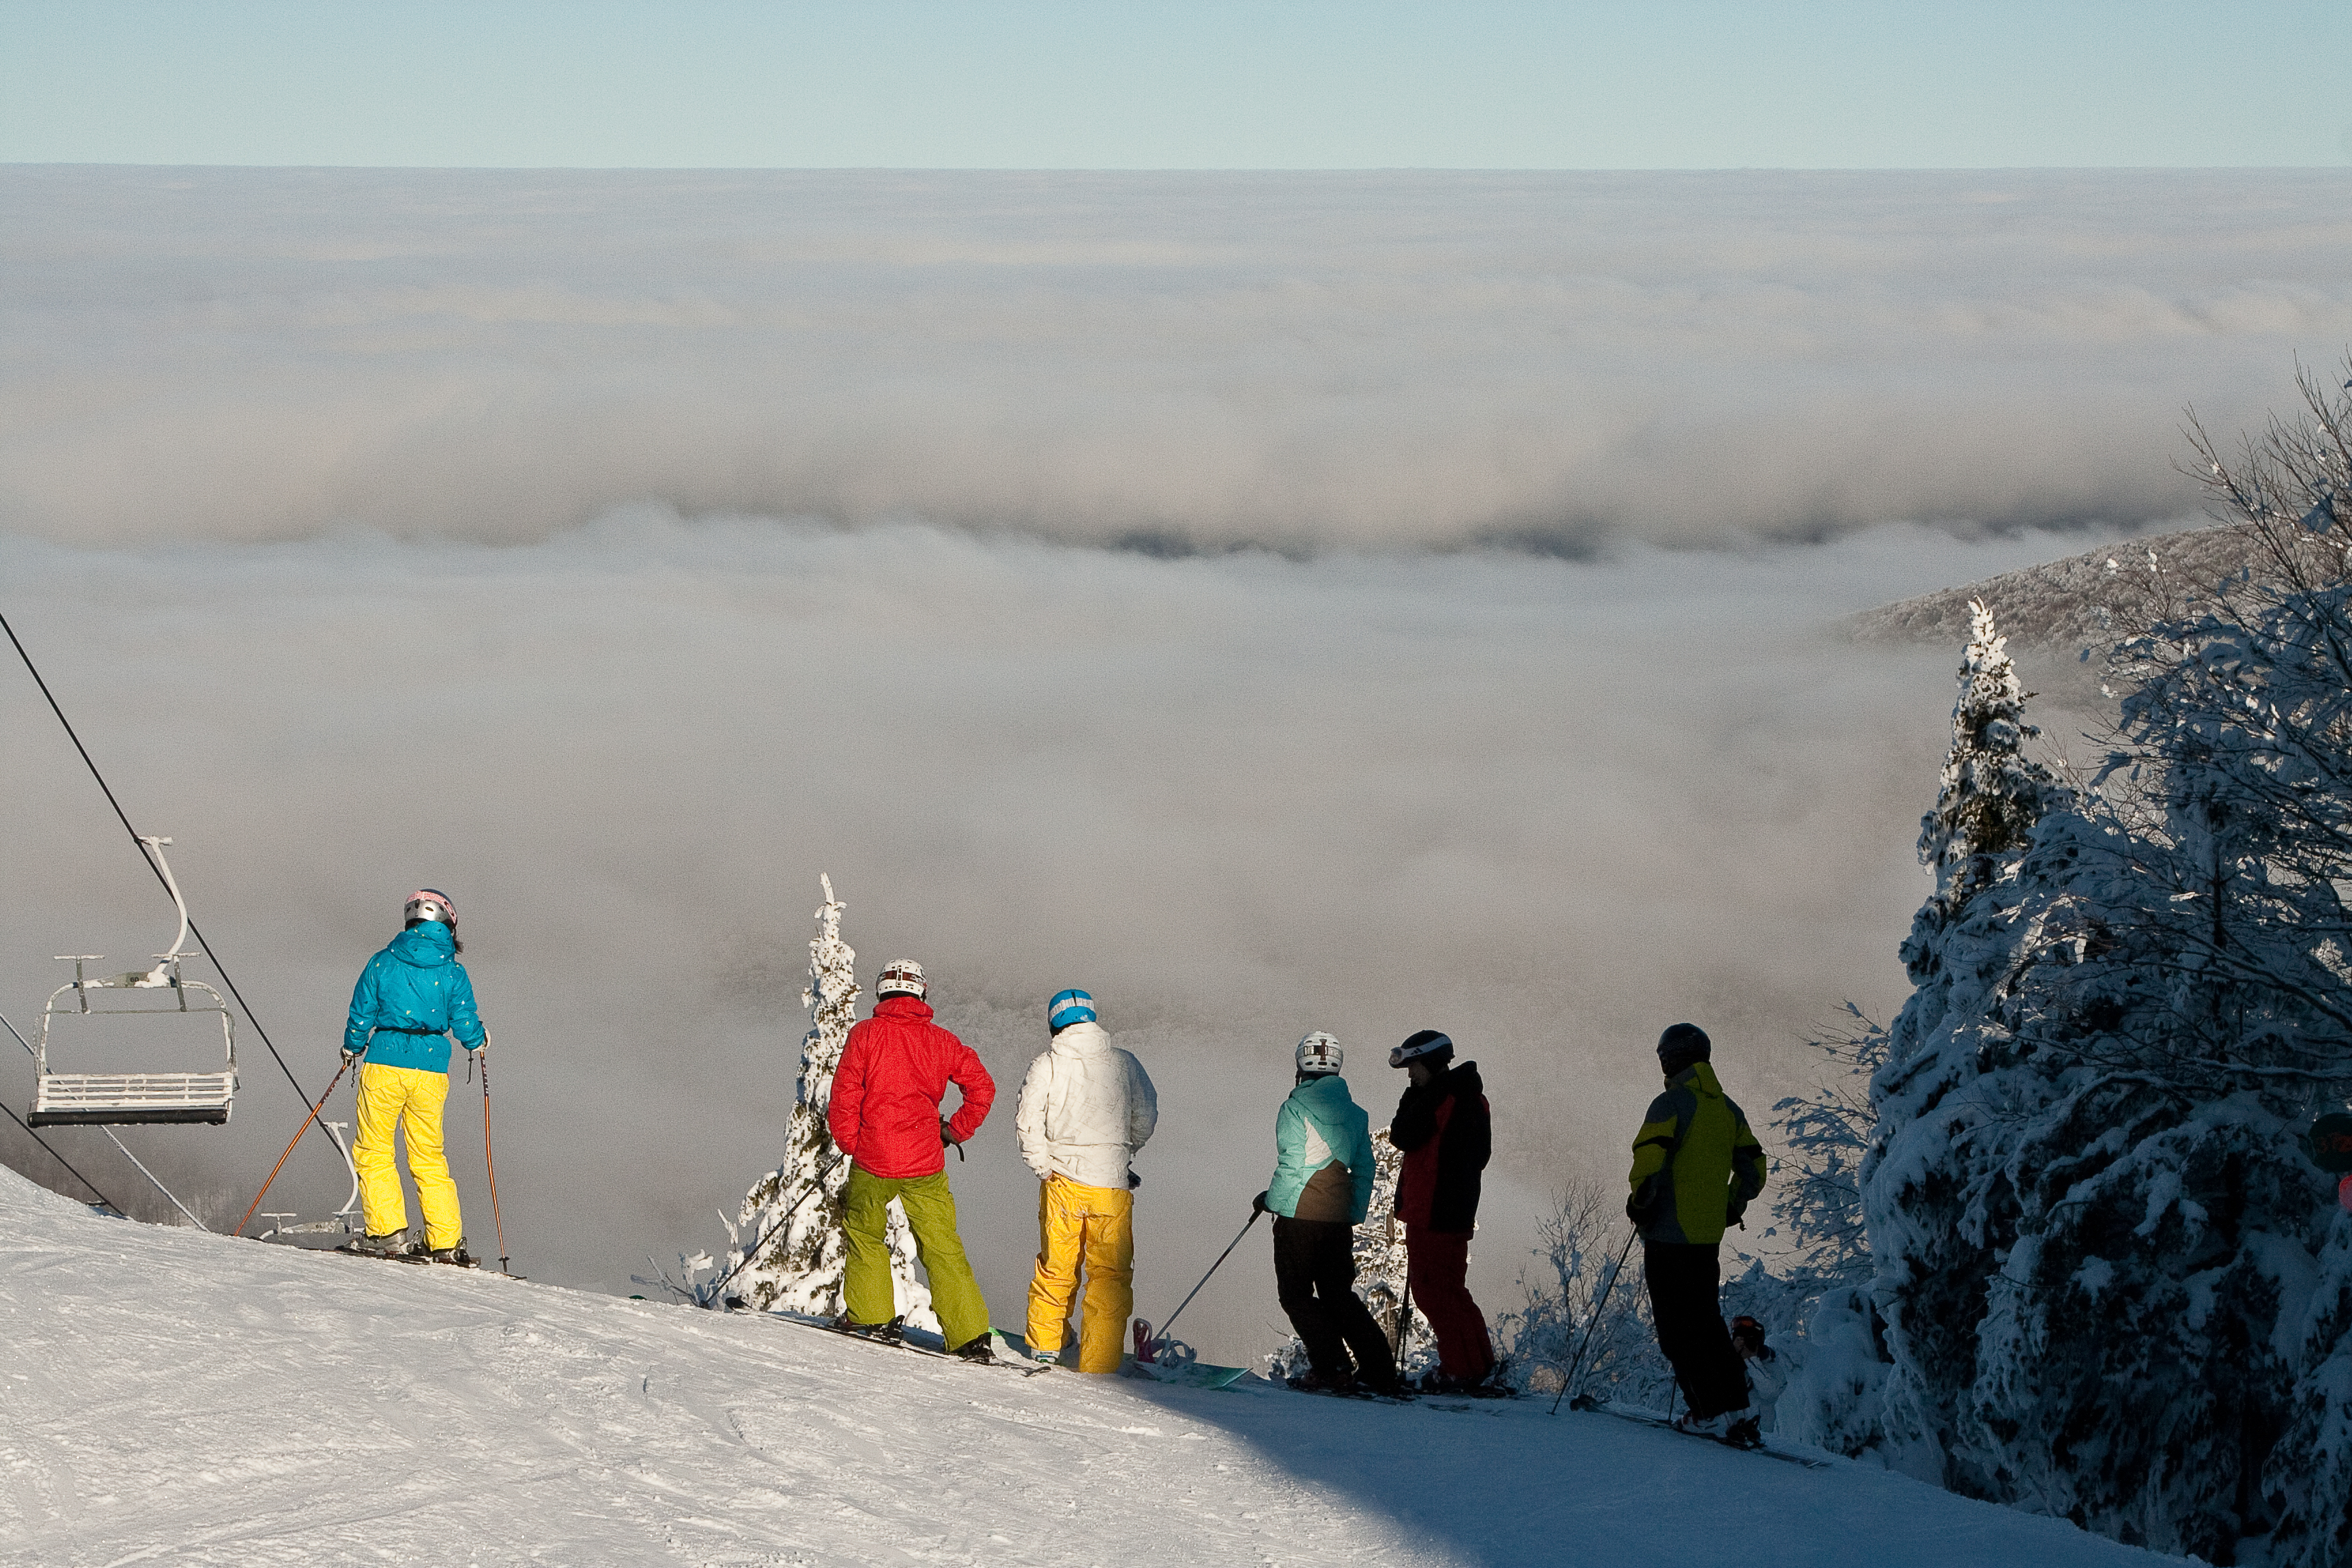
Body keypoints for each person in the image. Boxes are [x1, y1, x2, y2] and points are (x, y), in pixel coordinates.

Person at [826, 959, 998, 1360]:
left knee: (865, 1234)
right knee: (942, 1245)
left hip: (874, 1159)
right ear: (921, 992)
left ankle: (871, 1318)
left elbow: (845, 1096)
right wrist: (955, 1130)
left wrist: (853, 1142)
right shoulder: (941, 1041)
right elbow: (982, 1088)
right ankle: (970, 1335)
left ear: (881, 992)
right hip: (925, 1162)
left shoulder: (865, 1035)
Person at [1627, 1022, 1768, 1443]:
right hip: (1707, 1237)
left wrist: (1640, 1202)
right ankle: (1738, 1409)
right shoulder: (1728, 1110)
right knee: (1706, 1325)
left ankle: (1707, 1412)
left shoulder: (1670, 1104)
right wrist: (1731, 1204)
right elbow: (1754, 1168)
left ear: (1672, 1058)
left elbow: (1649, 1160)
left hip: (1669, 1235)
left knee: (1676, 1331)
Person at [1013, 987, 1158, 1371]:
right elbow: (1146, 1114)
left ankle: (1046, 1345)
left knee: (1056, 1266)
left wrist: (1043, 1166)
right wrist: (1124, 1152)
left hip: (1062, 1182)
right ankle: (1100, 1361)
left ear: (1054, 1023)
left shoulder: (1046, 1064)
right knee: (1109, 1276)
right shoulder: (1125, 1063)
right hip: (1111, 1185)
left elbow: (1028, 1123)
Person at [342, 889, 487, 1262]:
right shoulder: (453, 970)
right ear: (446, 922)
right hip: (431, 1070)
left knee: (374, 1149)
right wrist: (478, 1041)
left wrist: (352, 1047)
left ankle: (387, 1233)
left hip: (384, 1064)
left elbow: (362, 1011)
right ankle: (445, 1242)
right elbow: (465, 1020)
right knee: (428, 1155)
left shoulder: (382, 962)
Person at [1256, 1032, 1401, 1396]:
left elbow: (1292, 1166)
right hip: (1337, 1219)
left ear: (1300, 1068)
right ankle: (1379, 1368)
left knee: (1296, 1295)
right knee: (1338, 1294)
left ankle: (1333, 1367)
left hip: (1299, 1216)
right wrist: (1352, 1211)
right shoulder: (1355, 1115)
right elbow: (1364, 1169)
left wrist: (1272, 1201)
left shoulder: (1293, 1109)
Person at [1387, 1028, 1497, 1393]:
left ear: (1431, 1062)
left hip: (1431, 1211)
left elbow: (1403, 1134)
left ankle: (1458, 1370)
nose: (1410, 1074)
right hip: (1455, 1212)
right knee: (1452, 1291)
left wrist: (1418, 1096)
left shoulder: (1441, 1098)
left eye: (1414, 1065)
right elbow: (1478, 1156)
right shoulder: (1472, 1097)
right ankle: (1478, 1364)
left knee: (1432, 1292)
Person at [1729, 1314, 1804, 1435]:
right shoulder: (1729, 1365)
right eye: (1740, 1339)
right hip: (1730, 1435)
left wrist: (1751, 1360)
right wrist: (1733, 1357)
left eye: (1750, 1339)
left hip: (1761, 1436)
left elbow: (1769, 1392)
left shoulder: (1772, 1364)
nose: (1745, 1343)